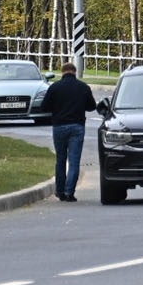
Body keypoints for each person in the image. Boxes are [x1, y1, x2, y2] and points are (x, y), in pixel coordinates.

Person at [42, 61, 96, 202]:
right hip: (77, 127)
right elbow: (92, 106)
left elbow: (44, 107)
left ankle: (60, 191)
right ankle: (69, 192)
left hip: (59, 127)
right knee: (74, 161)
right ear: (75, 72)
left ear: (62, 72)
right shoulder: (83, 87)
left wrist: (56, 109)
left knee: (60, 160)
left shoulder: (55, 87)